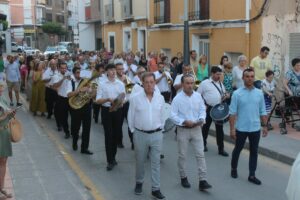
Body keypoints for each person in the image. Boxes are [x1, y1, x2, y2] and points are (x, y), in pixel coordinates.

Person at [170, 74, 212, 191]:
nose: (190, 85)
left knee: (200, 155)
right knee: (182, 155)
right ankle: (183, 177)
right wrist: (183, 121)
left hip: (197, 129)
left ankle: (203, 180)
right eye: (187, 83)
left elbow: (203, 110)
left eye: (191, 83)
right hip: (183, 130)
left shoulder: (198, 96)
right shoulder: (177, 99)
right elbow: (172, 115)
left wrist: (202, 119)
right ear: (182, 84)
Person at [128, 72, 166, 199]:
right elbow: (131, 116)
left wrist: (161, 128)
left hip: (156, 134)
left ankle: (156, 188)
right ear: (142, 83)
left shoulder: (160, 98)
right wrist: (133, 131)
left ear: (155, 83)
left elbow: (162, 115)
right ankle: (139, 182)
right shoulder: (135, 98)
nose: (149, 85)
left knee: (156, 162)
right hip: (140, 134)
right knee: (140, 161)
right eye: (147, 82)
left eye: (152, 82)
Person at [229, 68, 268, 185]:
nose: (250, 78)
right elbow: (232, 113)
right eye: (247, 76)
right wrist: (232, 129)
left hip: (255, 128)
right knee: (237, 149)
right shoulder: (237, 94)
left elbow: (263, 111)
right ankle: (233, 169)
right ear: (243, 78)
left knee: (254, 151)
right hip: (241, 128)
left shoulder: (259, 93)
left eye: (252, 76)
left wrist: (265, 126)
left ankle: (252, 175)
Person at [96, 64, 125, 171]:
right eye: (111, 70)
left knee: (116, 135)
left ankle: (113, 157)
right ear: (106, 72)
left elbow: (124, 98)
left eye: (114, 70)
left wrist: (120, 102)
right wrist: (108, 99)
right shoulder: (102, 84)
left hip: (117, 110)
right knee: (108, 135)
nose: (113, 72)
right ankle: (110, 160)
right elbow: (97, 100)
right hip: (106, 111)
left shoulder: (121, 84)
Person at [197, 66, 229, 156]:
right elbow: (198, 95)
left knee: (220, 130)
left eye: (220, 74)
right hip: (209, 108)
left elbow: (224, 92)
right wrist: (203, 106)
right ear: (212, 73)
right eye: (217, 74)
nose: (219, 76)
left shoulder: (220, 83)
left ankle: (221, 149)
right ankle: (203, 145)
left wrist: (226, 95)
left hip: (218, 109)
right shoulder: (204, 83)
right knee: (205, 128)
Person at [67, 66, 94, 155]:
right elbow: (68, 94)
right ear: (74, 74)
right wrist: (79, 90)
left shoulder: (87, 81)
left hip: (86, 106)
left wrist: (90, 91)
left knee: (87, 128)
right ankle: (74, 142)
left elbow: (93, 94)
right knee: (75, 128)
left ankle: (84, 148)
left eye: (80, 72)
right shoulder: (70, 81)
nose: (79, 74)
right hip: (75, 107)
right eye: (77, 73)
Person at [0, 81, 15, 199]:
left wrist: (11, 114)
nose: (1, 89)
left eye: (1, 87)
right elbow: (3, 116)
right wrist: (5, 116)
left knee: (3, 161)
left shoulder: (3, 99)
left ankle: (1, 187)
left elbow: (6, 115)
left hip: (4, 133)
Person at [53, 62, 71, 138]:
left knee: (74, 116)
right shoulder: (56, 76)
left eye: (65, 68)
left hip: (70, 98)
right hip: (62, 98)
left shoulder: (70, 74)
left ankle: (74, 132)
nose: (64, 69)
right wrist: (63, 79)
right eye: (62, 68)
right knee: (64, 117)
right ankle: (67, 132)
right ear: (59, 69)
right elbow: (55, 85)